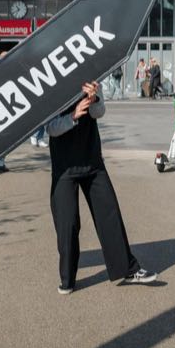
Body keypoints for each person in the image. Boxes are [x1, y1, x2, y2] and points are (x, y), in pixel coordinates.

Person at [45, 80, 157, 294]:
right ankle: (67, 279)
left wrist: (93, 99)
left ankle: (129, 270)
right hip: (65, 169)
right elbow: (51, 128)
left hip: (92, 162)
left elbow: (99, 112)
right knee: (67, 225)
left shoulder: (91, 78)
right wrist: (73, 115)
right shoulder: (52, 85)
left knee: (110, 216)